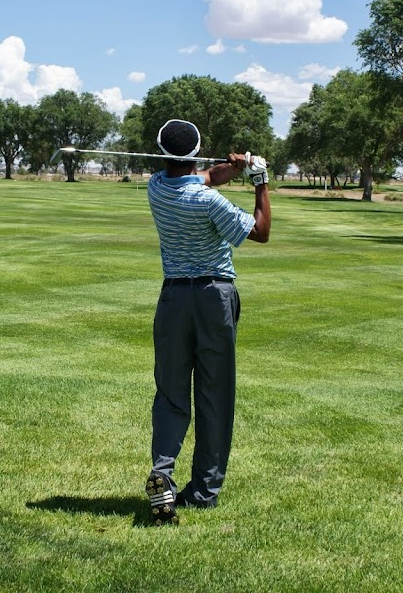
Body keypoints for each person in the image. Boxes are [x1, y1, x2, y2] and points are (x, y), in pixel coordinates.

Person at [144, 118, 271, 526]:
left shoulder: (156, 187)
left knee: (170, 392)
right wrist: (260, 181)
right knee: (214, 395)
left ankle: (162, 473)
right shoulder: (209, 202)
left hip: (173, 298)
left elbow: (203, 177)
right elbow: (262, 232)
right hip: (214, 298)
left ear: (164, 153)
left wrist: (233, 167)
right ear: (196, 151)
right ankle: (201, 492)